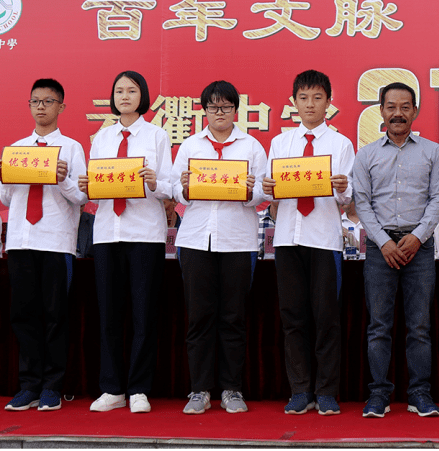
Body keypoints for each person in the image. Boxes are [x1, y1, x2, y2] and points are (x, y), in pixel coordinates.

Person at [77, 71, 173, 414]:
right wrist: (87, 183)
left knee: (144, 313)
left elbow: (171, 186)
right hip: (107, 233)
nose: (125, 96)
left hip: (144, 233)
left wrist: (154, 181)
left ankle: (139, 388)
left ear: (142, 96)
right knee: (109, 313)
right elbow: (92, 188)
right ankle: (111, 387)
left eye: (132, 90)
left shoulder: (158, 136)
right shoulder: (101, 138)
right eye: (119, 90)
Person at [0, 78, 88, 412]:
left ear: (62, 106)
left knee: (55, 315)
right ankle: (28, 385)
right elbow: (5, 199)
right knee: (23, 316)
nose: (41, 107)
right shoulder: (16, 149)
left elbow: (82, 198)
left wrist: (62, 179)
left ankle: (52, 386)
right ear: (29, 106)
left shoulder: (72, 148)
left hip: (55, 241)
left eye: (48, 101)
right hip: (20, 240)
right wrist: (2, 176)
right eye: (35, 101)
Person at [262, 70, 354, 416]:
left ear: (329, 103)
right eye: (304, 98)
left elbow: (347, 200)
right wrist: (269, 189)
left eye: (318, 98)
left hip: (324, 239)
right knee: (293, 318)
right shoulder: (281, 143)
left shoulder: (341, 145)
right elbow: (269, 195)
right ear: (293, 103)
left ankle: (327, 391)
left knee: (326, 318)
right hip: (288, 239)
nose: (311, 104)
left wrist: (343, 186)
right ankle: (300, 390)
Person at [173, 80, 267, 415]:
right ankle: (199, 390)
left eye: (226, 107)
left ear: (235, 110)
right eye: (213, 107)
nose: (220, 113)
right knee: (199, 317)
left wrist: (252, 190)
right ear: (204, 111)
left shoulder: (252, 147)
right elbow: (175, 190)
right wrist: (184, 186)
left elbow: (263, 196)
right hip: (196, 239)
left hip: (237, 241)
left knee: (233, 318)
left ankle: (231, 388)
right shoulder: (190, 146)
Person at [353, 81, 439, 418]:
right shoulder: (366, 155)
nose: (398, 113)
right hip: (380, 249)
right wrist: (384, 241)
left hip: (419, 247)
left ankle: (420, 393)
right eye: (391, 106)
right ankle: (379, 395)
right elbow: (361, 203)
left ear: (416, 111)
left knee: (419, 326)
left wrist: (418, 236)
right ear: (381, 111)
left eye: (405, 107)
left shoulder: (433, 151)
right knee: (379, 326)